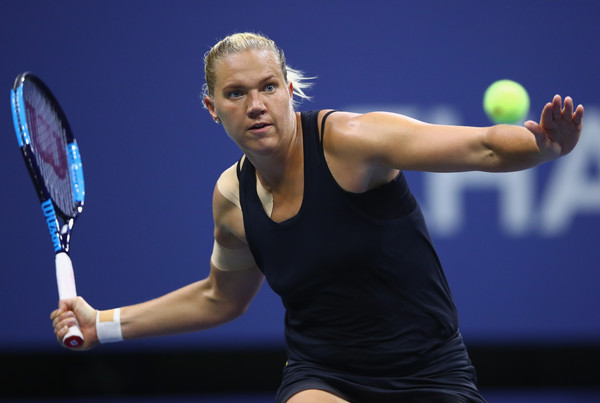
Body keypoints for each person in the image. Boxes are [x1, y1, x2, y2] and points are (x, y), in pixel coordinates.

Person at [51, 32, 584, 403]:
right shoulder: (232, 199)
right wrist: (103, 325)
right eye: (235, 94)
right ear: (212, 108)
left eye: (267, 87)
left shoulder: (349, 142)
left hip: (429, 369)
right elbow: (220, 298)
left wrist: (546, 148)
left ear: (289, 89)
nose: (255, 104)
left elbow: (486, 148)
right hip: (324, 374)